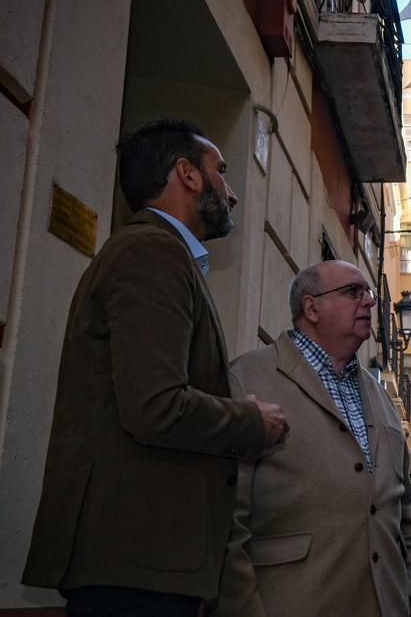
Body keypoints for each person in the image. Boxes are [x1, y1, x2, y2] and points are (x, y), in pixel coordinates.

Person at [22, 119, 289, 616]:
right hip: (138, 564)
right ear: (187, 174)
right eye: (221, 172)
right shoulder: (153, 252)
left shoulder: (159, 254)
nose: (230, 194)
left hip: (143, 561)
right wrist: (251, 421)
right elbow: (155, 407)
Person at [214, 261, 411, 617]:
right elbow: (224, 514)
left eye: (368, 293)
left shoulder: (381, 400)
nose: (369, 302)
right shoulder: (247, 379)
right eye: (352, 292)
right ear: (311, 308)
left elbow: (405, 508)